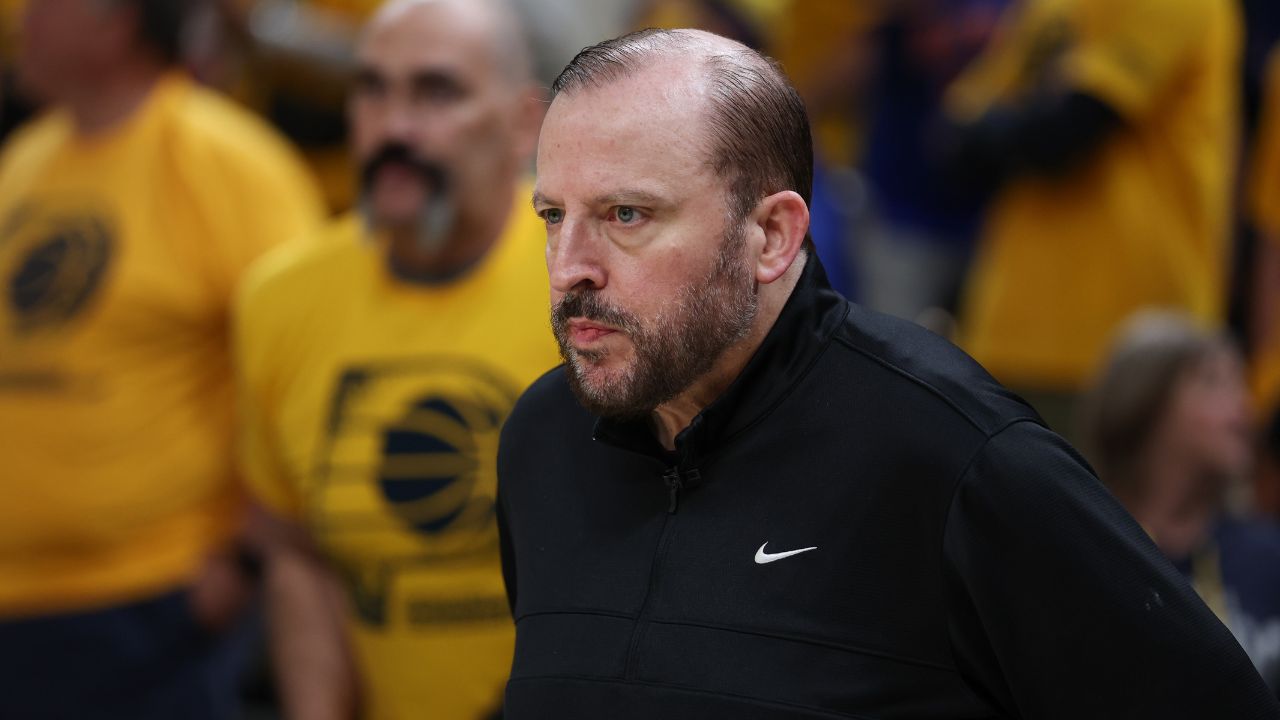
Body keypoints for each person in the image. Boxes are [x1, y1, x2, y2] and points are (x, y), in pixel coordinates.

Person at [496, 28, 1280, 718]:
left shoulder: (956, 455)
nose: (568, 269)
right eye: (553, 215)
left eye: (626, 215)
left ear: (771, 235)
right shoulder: (540, 442)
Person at [0, 0, 325, 717]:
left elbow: (306, 372)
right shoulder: (25, 159)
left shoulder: (226, 163)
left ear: (114, 21)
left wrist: (241, 565)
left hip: (153, 609)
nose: (22, 16)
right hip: (18, 607)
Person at [234, 1, 557, 717]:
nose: (395, 127)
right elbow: (295, 554)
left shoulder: (589, 285)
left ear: (523, 124)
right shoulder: (279, 299)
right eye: (372, 90)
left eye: (437, 92)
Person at [941, 0, 1240, 438]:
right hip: (1010, 330)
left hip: (1140, 349)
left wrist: (1012, 127)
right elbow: (951, 140)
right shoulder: (1050, 8)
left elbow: (1063, 135)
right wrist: (1022, 126)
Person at [1078, 310, 1280, 697]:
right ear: (1144, 400)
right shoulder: (1086, 549)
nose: (1244, 406)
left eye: (1240, 383)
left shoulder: (1268, 556)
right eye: (1214, 381)